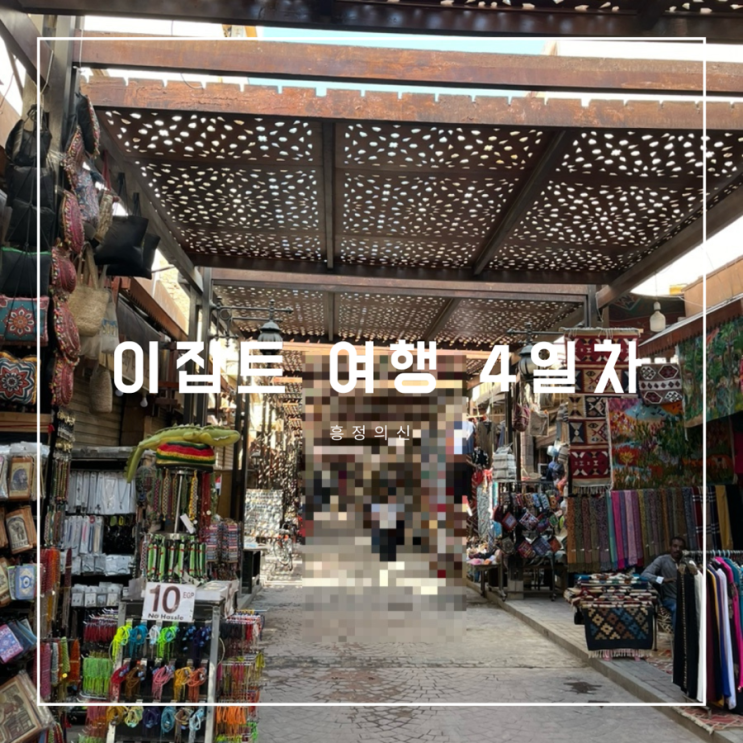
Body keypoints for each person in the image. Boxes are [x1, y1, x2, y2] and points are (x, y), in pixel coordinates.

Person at [640, 535, 686, 629]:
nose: (677, 549)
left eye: (680, 547)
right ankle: (678, 637)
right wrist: (662, 580)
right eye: (675, 546)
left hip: (686, 598)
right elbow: (644, 575)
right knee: (677, 608)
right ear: (670, 547)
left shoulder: (687, 561)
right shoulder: (662, 560)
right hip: (670, 598)